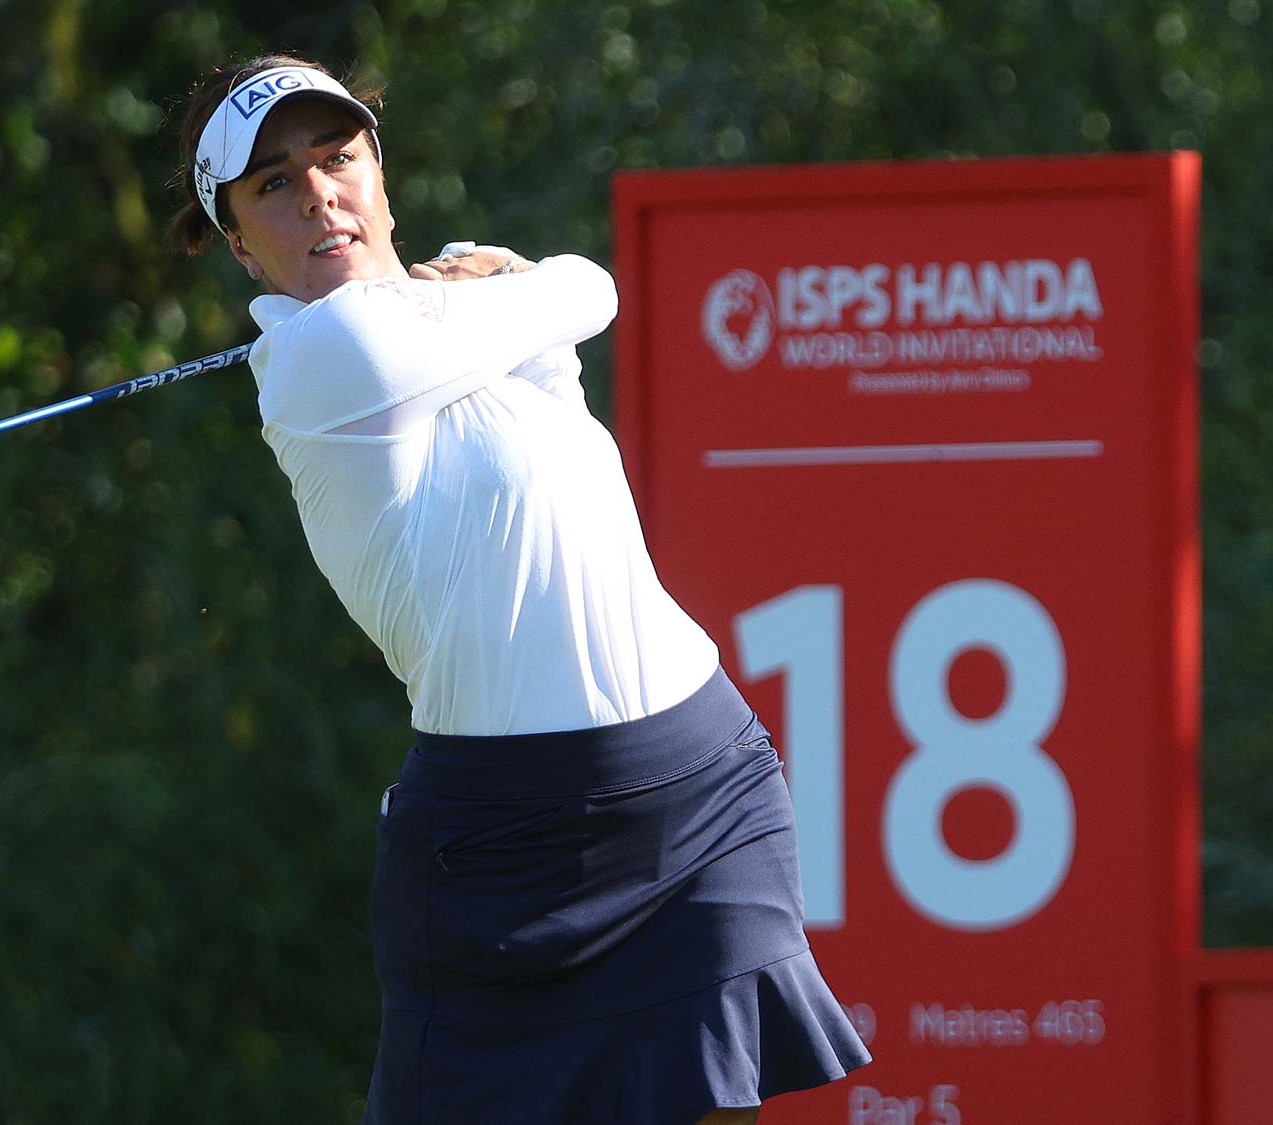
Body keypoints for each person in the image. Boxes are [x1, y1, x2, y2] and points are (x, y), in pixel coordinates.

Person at [166, 55, 871, 1124]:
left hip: (703, 784)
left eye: (336, 157)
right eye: (273, 184)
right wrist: (509, 284)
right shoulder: (320, 366)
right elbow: (590, 288)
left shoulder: (463, 325)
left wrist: (499, 296)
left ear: (378, 169)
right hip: (504, 846)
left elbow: (560, 348)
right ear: (238, 240)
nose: (317, 195)